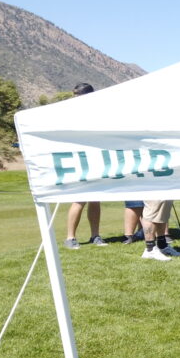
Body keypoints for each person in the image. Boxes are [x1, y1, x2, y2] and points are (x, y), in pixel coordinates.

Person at [62, 83, 108, 250]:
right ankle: (70, 237)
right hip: (79, 160)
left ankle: (95, 235)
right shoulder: (70, 113)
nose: (75, 98)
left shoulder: (96, 113)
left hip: (95, 159)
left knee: (95, 199)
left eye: (78, 95)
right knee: (79, 199)